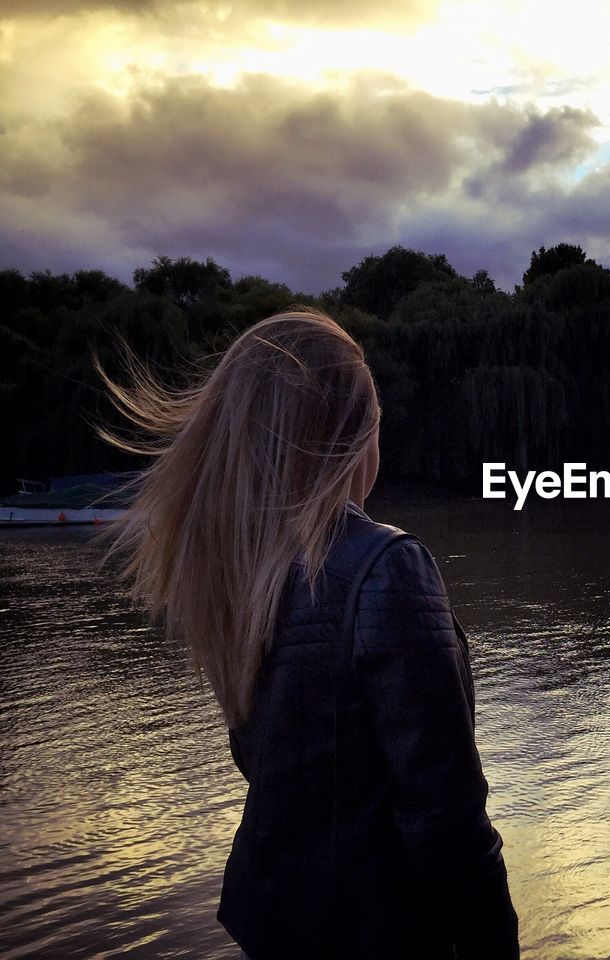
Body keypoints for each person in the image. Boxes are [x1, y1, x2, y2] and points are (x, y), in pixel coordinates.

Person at [93, 307, 520, 958]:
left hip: (275, 927)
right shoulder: (387, 566)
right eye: (376, 427)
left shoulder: (235, 573)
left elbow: (271, 772)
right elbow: (447, 822)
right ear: (352, 440)